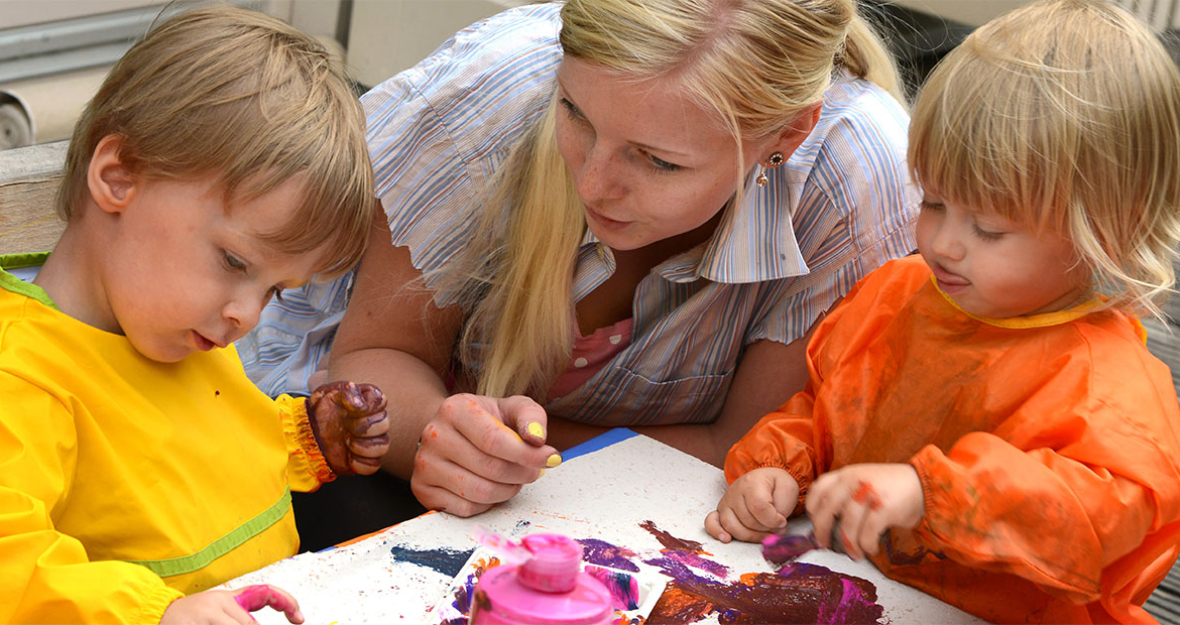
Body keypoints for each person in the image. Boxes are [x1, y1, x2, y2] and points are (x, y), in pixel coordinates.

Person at [240, 0, 919, 524]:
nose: (593, 183)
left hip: (633, 519)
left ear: (789, 133)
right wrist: (435, 435)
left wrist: (513, 451)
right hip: (345, 464)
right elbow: (367, 358)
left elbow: (747, 450)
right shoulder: (497, 95)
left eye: (658, 160)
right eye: (575, 112)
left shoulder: (851, 175)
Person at [704, 1, 1180, 622]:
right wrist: (778, 468)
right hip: (854, 589)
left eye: (988, 228)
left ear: (1109, 236)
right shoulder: (902, 293)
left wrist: (934, 495)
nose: (944, 243)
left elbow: (1095, 514)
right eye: (933, 201)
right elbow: (825, 409)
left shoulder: (1109, 387)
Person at [0, 6, 391, 624]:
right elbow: (9, 564)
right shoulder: (22, 373)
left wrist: (305, 439)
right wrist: (156, 614)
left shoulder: (178, 328)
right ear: (119, 176)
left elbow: (195, 456)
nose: (247, 316)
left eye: (275, 291)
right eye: (235, 262)